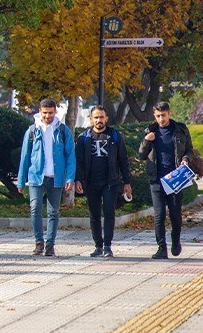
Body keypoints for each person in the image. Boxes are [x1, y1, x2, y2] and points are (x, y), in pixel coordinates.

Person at [17, 97, 75, 257]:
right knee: (35, 209)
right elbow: (25, 157)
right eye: (45, 113)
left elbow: (70, 155)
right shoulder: (32, 131)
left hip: (56, 177)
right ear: (39, 112)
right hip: (36, 177)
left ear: (55, 111)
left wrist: (69, 178)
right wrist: (21, 180)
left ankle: (50, 244)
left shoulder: (63, 130)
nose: (48, 116)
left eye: (50, 113)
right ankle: (38, 242)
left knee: (53, 212)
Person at [139, 101, 198, 259]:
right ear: (154, 116)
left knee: (175, 214)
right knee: (159, 215)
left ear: (169, 114)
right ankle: (161, 248)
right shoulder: (150, 131)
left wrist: (186, 159)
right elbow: (142, 155)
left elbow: (189, 150)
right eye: (157, 116)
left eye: (163, 115)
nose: (160, 119)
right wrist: (146, 140)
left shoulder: (180, 129)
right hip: (156, 180)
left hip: (174, 180)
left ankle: (176, 241)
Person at [74, 106, 132, 258]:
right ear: (91, 119)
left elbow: (123, 160)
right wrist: (78, 180)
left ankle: (107, 245)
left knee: (109, 211)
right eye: (96, 117)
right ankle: (98, 245)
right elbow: (78, 161)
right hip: (91, 182)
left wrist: (127, 182)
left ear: (106, 118)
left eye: (101, 117)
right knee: (94, 214)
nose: (99, 120)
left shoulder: (114, 136)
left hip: (110, 182)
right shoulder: (84, 137)